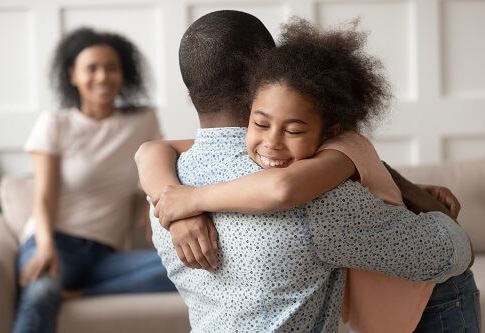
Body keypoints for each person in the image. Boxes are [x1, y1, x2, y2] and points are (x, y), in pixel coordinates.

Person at [135, 11, 474, 332]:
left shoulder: (165, 194)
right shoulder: (315, 197)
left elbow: (151, 150)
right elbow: (449, 254)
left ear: (189, 90)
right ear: (263, 75)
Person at [13, 27, 176, 333]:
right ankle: (66, 288)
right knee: (41, 293)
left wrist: (150, 204)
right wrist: (45, 245)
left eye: (111, 68)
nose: (102, 77)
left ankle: (81, 292)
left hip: (105, 255)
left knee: (183, 267)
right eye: (92, 68)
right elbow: (43, 195)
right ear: (72, 75)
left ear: (123, 73)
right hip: (56, 242)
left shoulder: (142, 121)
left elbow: (156, 172)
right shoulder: (55, 124)